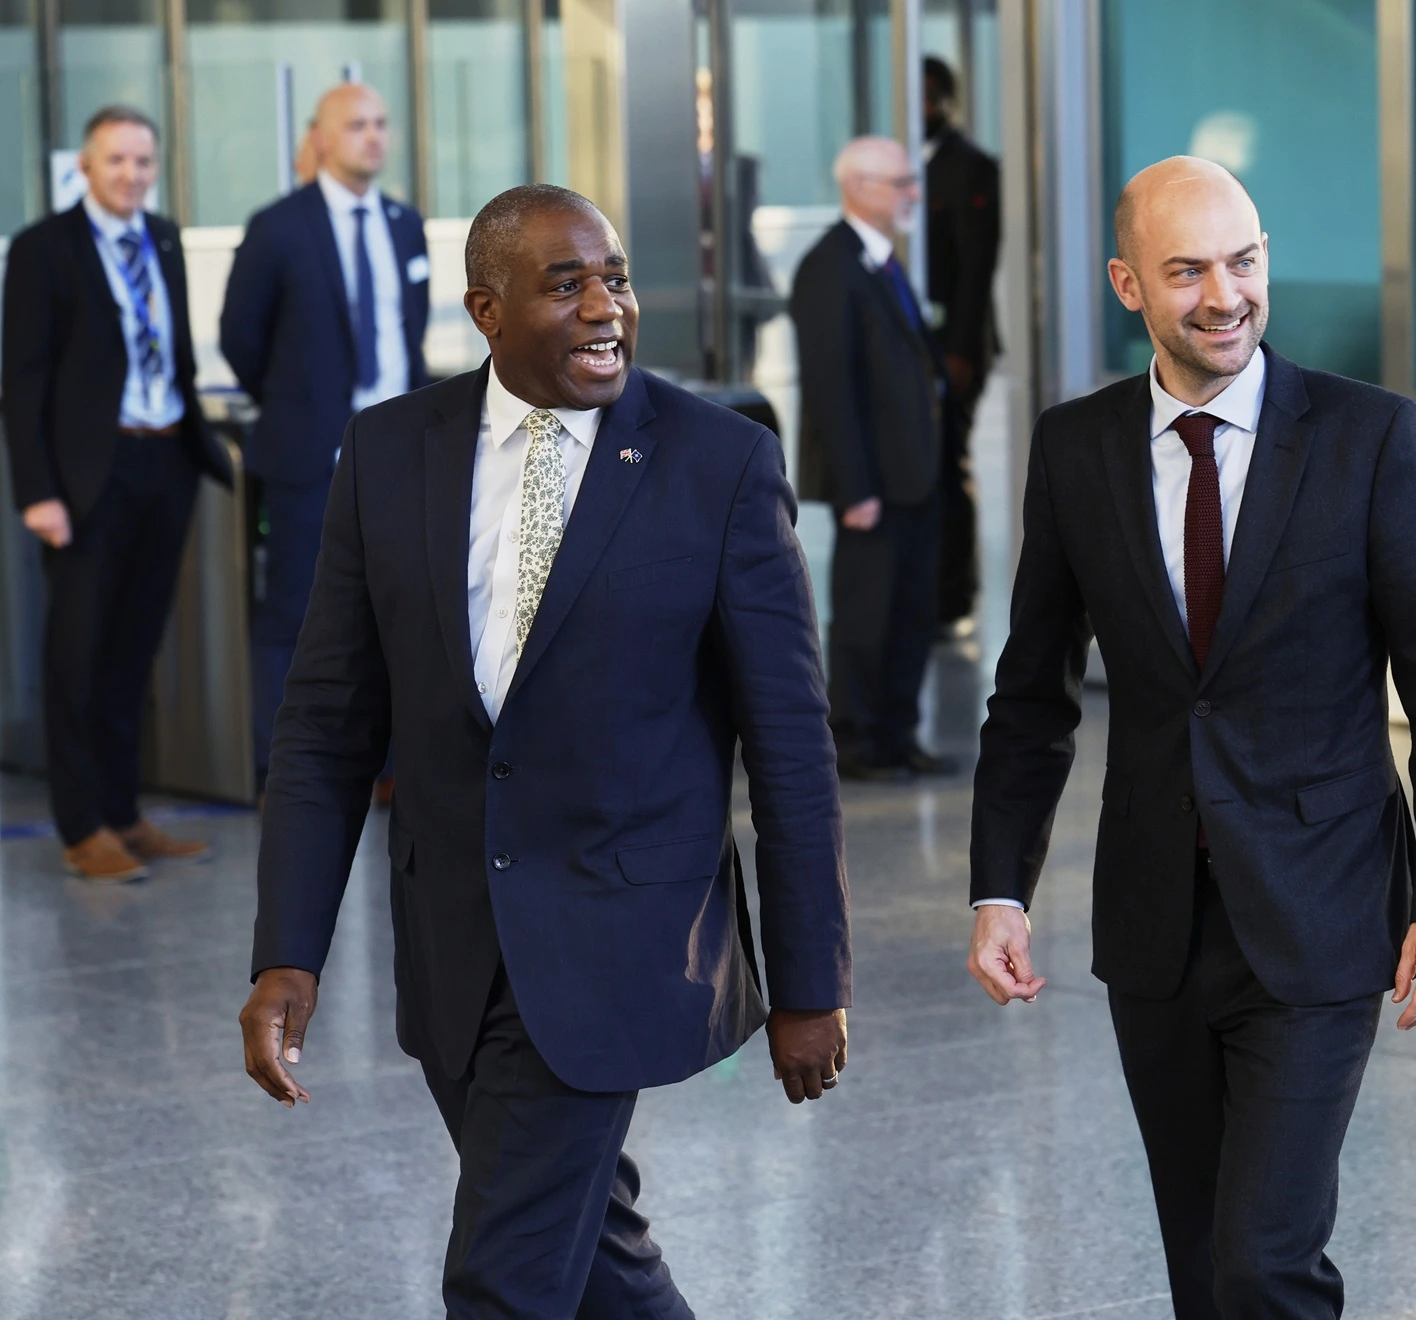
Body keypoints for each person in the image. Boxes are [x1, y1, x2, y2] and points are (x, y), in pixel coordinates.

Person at [235, 185, 852, 1317]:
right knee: (597, 1261)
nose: (604, 307)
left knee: (503, 1280)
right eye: (564, 285)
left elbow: (792, 743)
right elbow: (325, 725)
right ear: (486, 309)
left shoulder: (718, 464)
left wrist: (812, 981)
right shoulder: (386, 453)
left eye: (613, 279)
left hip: (625, 940)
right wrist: (289, 953)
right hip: (455, 946)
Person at [967, 156, 1416, 1319]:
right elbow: (1032, 693)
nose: (1225, 294)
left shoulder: (1369, 439)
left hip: (1320, 913)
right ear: (1127, 285)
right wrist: (998, 888)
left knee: (1266, 1260)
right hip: (1155, 924)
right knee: (1204, 1264)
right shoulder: (1077, 450)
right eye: (1187, 269)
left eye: (1244, 261)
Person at [1, 105, 233, 882]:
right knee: (78, 654)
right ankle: (81, 826)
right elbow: (23, 380)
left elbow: (177, 353)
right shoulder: (43, 250)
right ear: (86, 169)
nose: (132, 175)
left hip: (163, 464)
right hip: (86, 481)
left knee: (133, 652)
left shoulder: (162, 238)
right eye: (117, 162)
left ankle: (124, 813)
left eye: (143, 161)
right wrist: (38, 491)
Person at [219, 82, 430, 794]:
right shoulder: (278, 226)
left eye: (380, 122)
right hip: (311, 455)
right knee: (296, 615)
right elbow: (240, 339)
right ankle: (289, 772)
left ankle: (397, 767)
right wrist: (298, 406)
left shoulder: (406, 224)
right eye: (355, 125)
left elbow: (410, 333)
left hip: (399, 455)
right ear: (319, 137)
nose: (372, 136)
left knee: (403, 609)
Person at [790, 135, 953, 780]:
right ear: (857, 186)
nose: (912, 193)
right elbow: (832, 388)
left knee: (912, 612)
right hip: (874, 484)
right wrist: (855, 488)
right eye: (900, 182)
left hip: (915, 476)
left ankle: (898, 734)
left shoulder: (883, 261)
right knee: (867, 616)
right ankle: (856, 741)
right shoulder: (829, 267)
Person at [923, 55, 1001, 633]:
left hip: (957, 345)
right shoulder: (913, 162)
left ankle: (956, 599)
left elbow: (976, 267)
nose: (920, 108)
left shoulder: (971, 166)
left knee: (950, 465)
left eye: (928, 96)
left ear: (946, 101)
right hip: (920, 345)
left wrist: (963, 350)